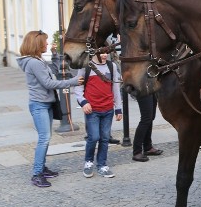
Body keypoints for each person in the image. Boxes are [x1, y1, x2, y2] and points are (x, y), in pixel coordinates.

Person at [17, 31, 83, 188]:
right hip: (39, 105)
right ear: (37, 44)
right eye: (45, 42)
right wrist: (72, 81)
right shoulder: (34, 63)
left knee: (46, 137)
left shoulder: (37, 60)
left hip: (44, 103)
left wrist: (54, 54)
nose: (47, 44)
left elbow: (51, 73)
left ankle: (42, 168)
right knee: (44, 138)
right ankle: (37, 174)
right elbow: (48, 83)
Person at [74, 52, 123, 178]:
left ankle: (102, 164)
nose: (105, 55)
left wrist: (118, 109)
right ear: (94, 52)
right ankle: (89, 161)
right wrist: (84, 102)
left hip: (108, 109)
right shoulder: (86, 67)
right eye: (102, 52)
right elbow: (78, 88)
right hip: (92, 110)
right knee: (94, 137)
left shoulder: (112, 66)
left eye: (107, 52)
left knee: (105, 138)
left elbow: (116, 88)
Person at [132, 94, 162, 162]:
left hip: (151, 88)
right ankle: (137, 151)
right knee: (146, 119)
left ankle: (148, 147)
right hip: (143, 88)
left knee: (150, 117)